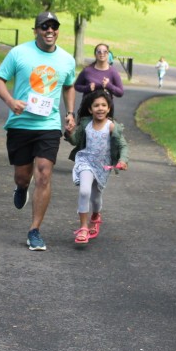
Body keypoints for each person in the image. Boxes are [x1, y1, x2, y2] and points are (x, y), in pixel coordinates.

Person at [0, 11, 76, 251]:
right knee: (23, 176)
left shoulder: (66, 60)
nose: (50, 30)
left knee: (44, 174)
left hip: (48, 125)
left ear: (57, 30)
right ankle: (21, 187)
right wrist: (10, 102)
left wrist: (70, 113)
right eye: (44, 26)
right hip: (20, 124)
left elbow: (69, 86)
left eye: (53, 26)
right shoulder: (19, 53)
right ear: (36, 30)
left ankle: (34, 230)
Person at [65, 89, 129, 244]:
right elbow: (75, 141)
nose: (100, 108)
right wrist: (70, 133)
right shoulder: (86, 124)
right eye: (96, 105)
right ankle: (83, 228)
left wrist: (123, 160)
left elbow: (123, 145)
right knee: (84, 191)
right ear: (90, 109)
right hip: (85, 161)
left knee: (95, 198)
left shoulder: (112, 127)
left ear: (108, 108)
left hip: (102, 166)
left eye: (103, 105)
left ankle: (95, 215)